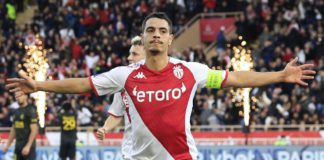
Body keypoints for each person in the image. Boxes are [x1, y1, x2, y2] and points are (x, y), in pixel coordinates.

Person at [6, 12, 316, 159]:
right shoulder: (124, 76)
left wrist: (279, 75)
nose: (156, 34)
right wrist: (38, 85)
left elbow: (233, 78)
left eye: (162, 31)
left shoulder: (190, 71)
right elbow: (83, 85)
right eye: (150, 30)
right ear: (143, 37)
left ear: (170, 38)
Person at [96, 35, 145, 159]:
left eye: (135, 54)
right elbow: (116, 114)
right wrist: (105, 128)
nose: (129, 58)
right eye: (129, 54)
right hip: (131, 152)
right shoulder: (123, 83)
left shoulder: (165, 80)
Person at [2, 92, 38, 160]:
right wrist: (7, 146)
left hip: (28, 148)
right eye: (17, 96)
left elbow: (34, 130)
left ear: (26, 97)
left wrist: (28, 146)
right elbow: (13, 130)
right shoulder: (16, 112)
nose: (18, 98)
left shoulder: (30, 110)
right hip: (18, 147)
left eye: (20, 95)